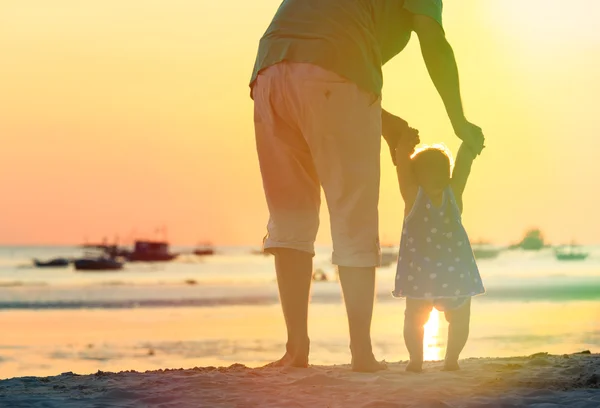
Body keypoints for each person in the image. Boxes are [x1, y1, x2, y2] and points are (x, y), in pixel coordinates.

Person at [250, 0, 485, 372]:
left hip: (268, 72)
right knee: (353, 217)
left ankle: (296, 350)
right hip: (335, 70)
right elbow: (433, 41)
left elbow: (316, 74)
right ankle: (361, 353)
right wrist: (460, 122)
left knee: (290, 216)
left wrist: (384, 121)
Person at [392, 130, 485, 373]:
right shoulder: (412, 195)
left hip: (453, 275)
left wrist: (470, 145)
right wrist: (403, 147)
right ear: (417, 176)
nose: (436, 175)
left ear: (448, 173)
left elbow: (464, 166)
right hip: (422, 275)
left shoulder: (453, 194)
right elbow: (402, 168)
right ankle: (415, 360)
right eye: (428, 170)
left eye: (441, 170)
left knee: (460, 318)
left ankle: (451, 359)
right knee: (414, 319)